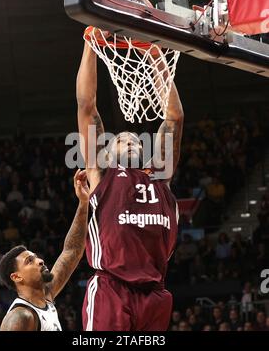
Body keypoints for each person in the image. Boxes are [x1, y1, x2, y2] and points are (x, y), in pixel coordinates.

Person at [76, 30, 184, 331]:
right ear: (107, 154)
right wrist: (90, 45)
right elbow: (87, 106)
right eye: (121, 140)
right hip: (113, 287)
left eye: (135, 139)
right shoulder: (102, 175)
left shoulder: (158, 175)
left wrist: (155, 56)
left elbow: (174, 117)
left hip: (156, 292)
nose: (132, 140)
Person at [0, 170, 89, 331]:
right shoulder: (21, 316)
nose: (40, 261)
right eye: (29, 261)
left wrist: (83, 203)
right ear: (16, 276)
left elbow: (72, 251)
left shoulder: (45, 296)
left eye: (36, 257)